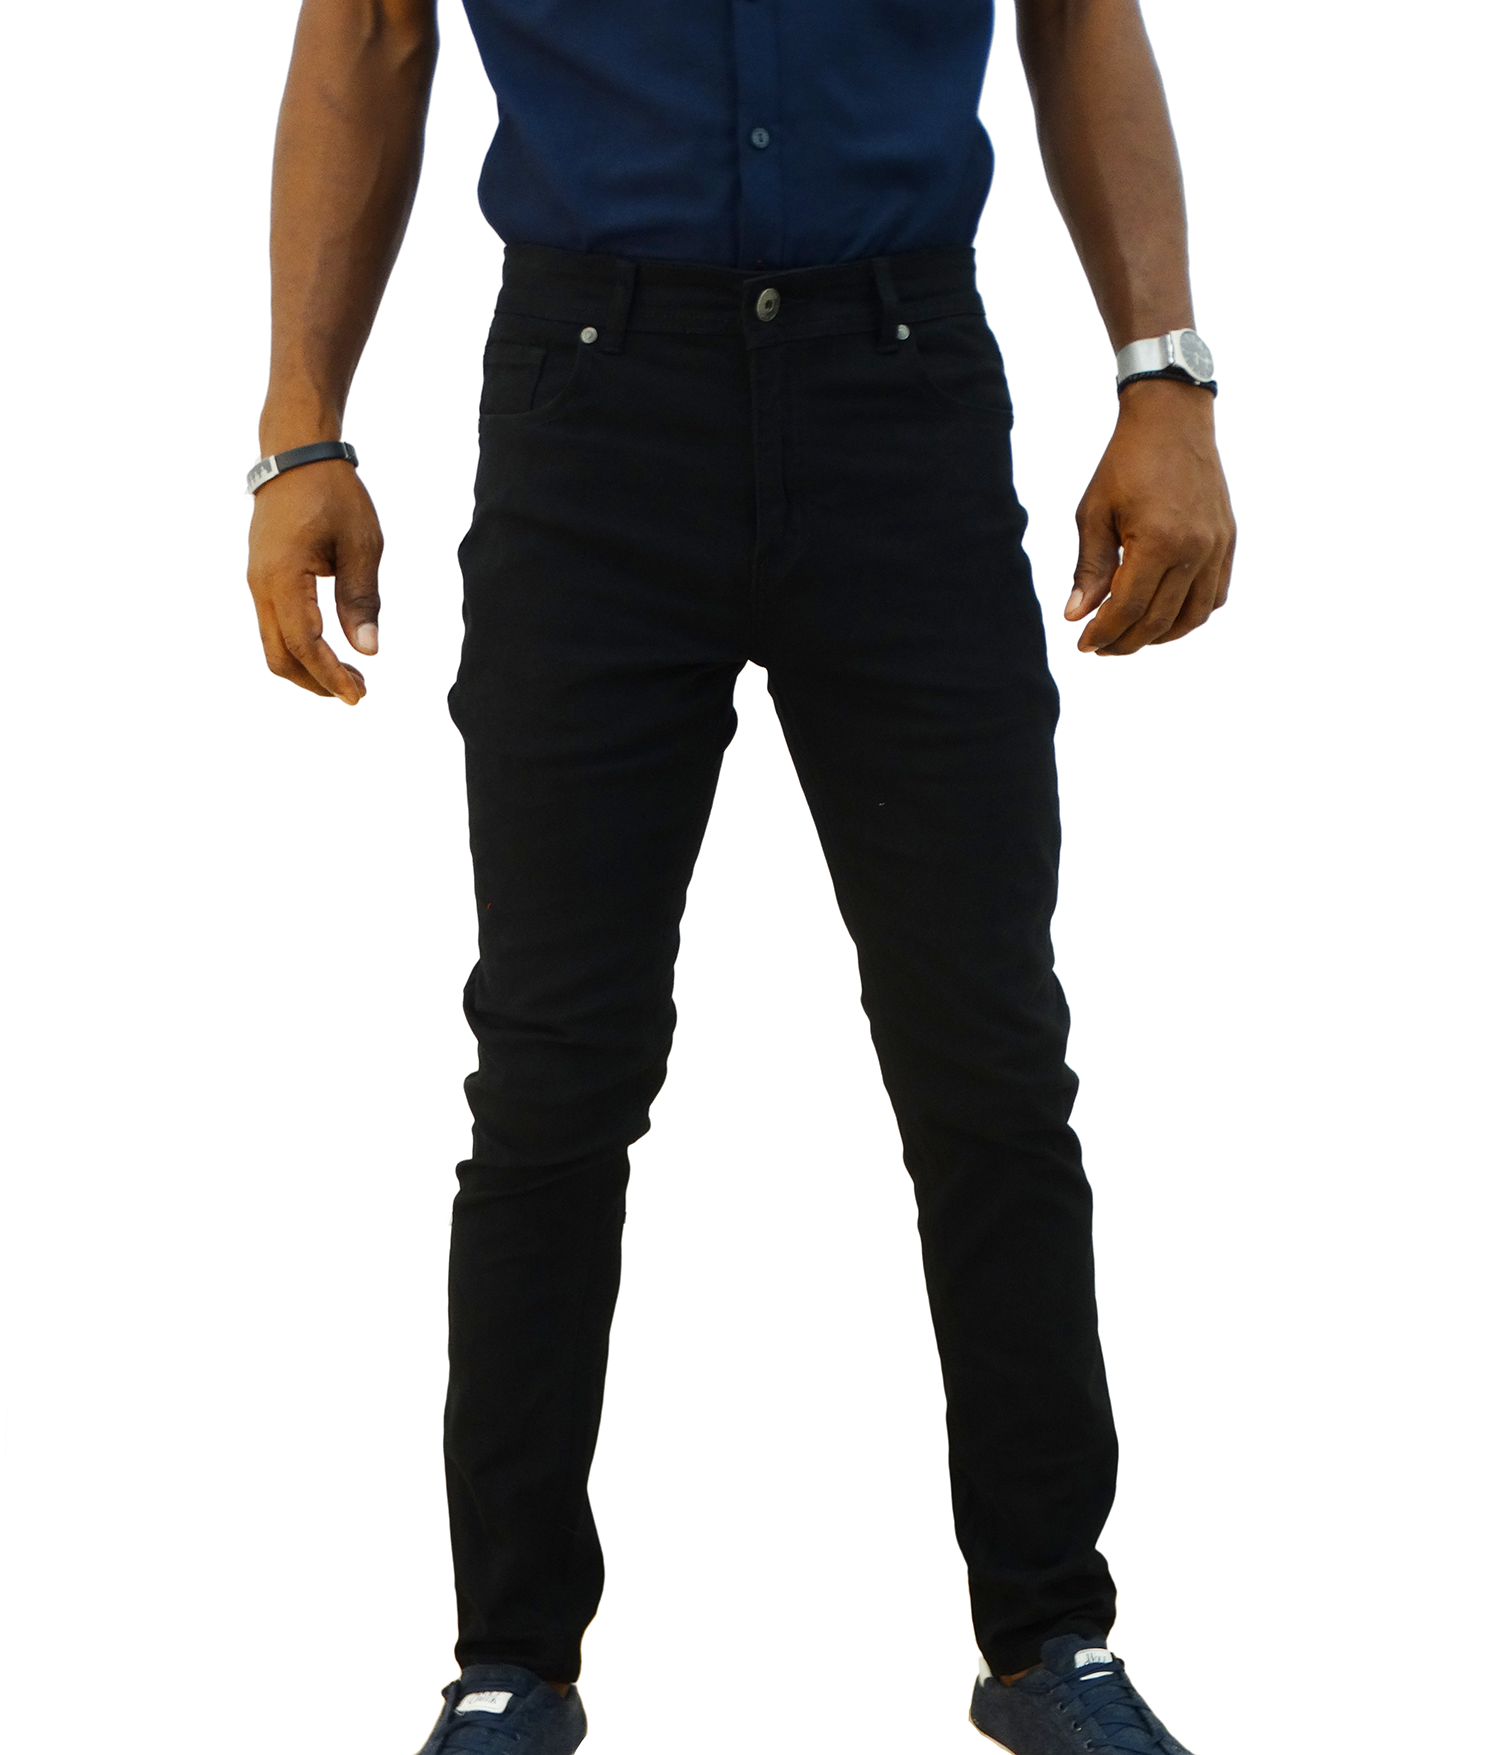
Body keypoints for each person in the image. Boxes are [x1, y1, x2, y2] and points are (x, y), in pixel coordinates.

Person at [245, 1, 1235, 1749]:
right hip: (590, 409)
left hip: (903, 391)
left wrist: (1165, 371)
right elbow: (373, 30)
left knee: (988, 1056)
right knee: (554, 1067)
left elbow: (1078, 10)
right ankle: (510, 1663)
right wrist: (301, 430)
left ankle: (1052, 1641)